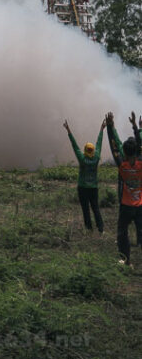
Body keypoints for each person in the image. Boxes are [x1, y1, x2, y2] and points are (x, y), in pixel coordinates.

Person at [105, 111, 142, 267]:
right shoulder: (140, 163)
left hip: (125, 205)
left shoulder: (122, 164)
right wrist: (136, 127)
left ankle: (126, 259)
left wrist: (110, 127)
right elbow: (140, 145)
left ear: (124, 152)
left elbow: (114, 145)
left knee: (122, 233)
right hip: (140, 205)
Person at [63, 118, 105, 232]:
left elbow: (75, 146)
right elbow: (99, 143)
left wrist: (68, 130)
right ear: (93, 151)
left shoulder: (82, 159)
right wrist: (102, 130)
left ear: (85, 150)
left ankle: (89, 228)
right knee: (95, 208)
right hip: (93, 188)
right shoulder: (96, 158)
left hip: (82, 188)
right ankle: (100, 228)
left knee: (85, 209)